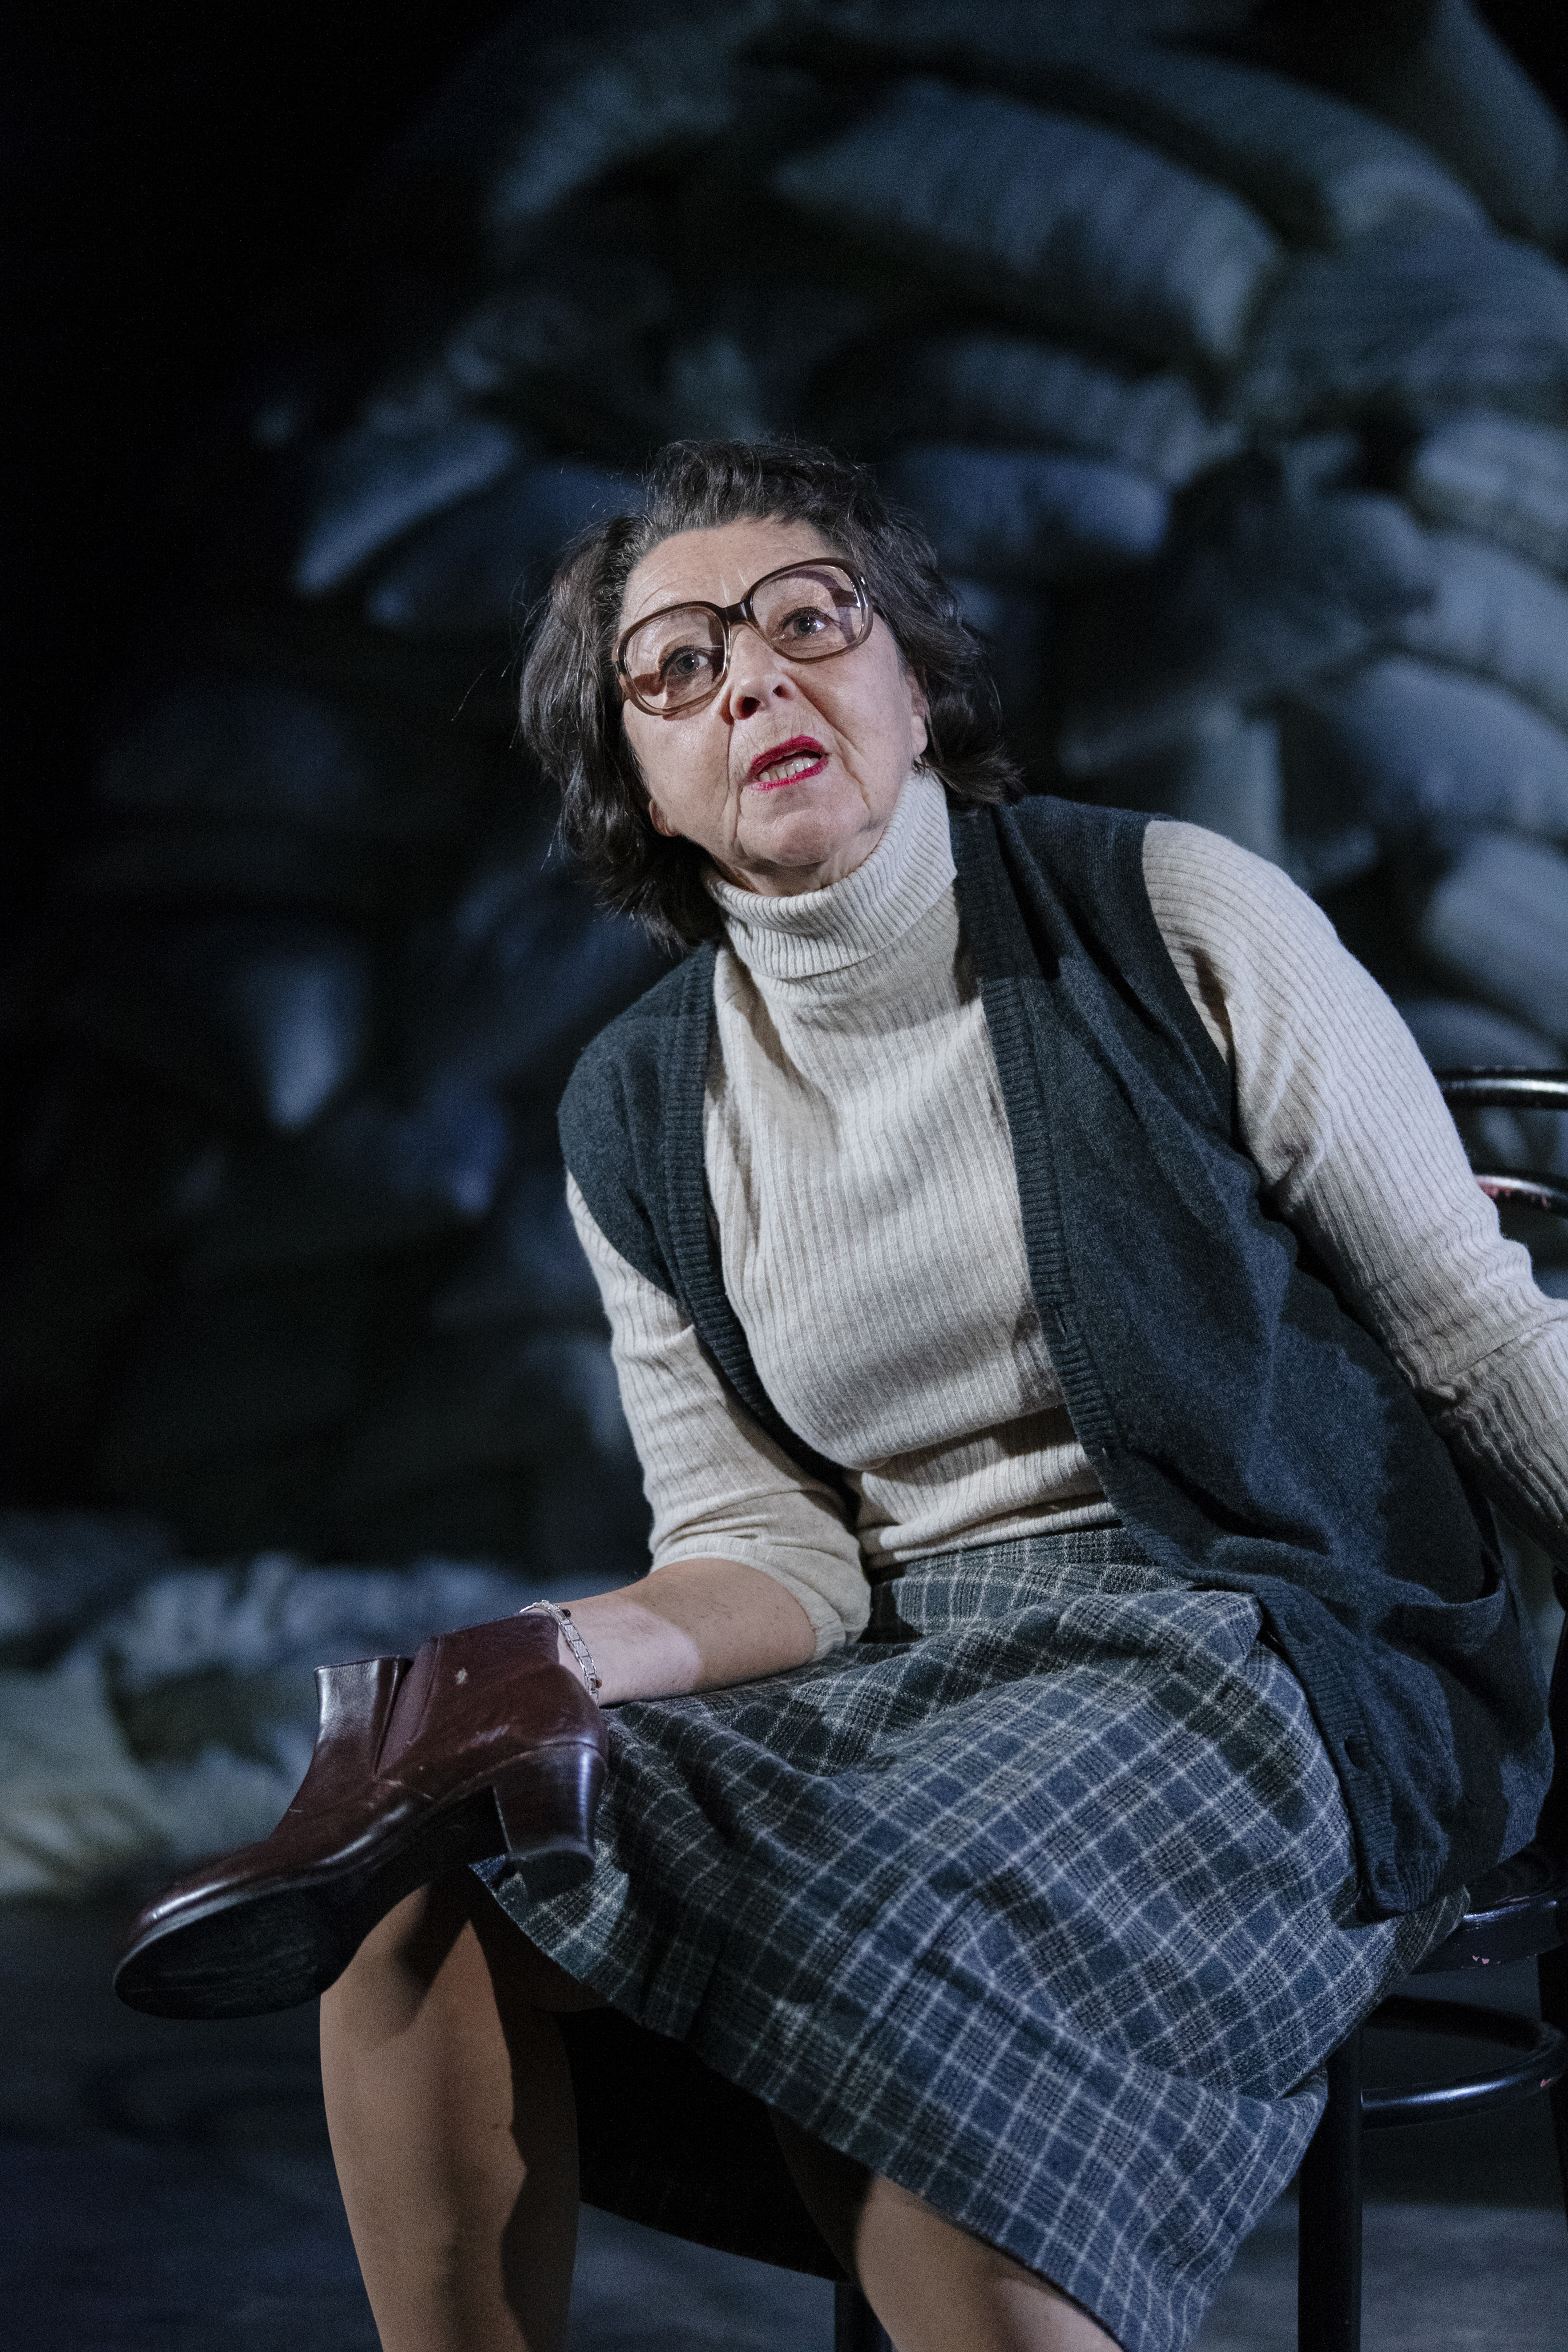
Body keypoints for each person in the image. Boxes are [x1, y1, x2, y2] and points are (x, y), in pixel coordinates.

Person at [116, 440, 1567, 2352]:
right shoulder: (640, 1107)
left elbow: (1476, 1332)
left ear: (911, 680)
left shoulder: (1169, 911)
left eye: (808, 620)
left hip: (1264, 1636)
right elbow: (768, 1551)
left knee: (879, 1921)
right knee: (427, 1891)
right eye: (678, 668)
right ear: (638, 783)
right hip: (915, 1674)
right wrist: (532, 1667)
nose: (754, 680)